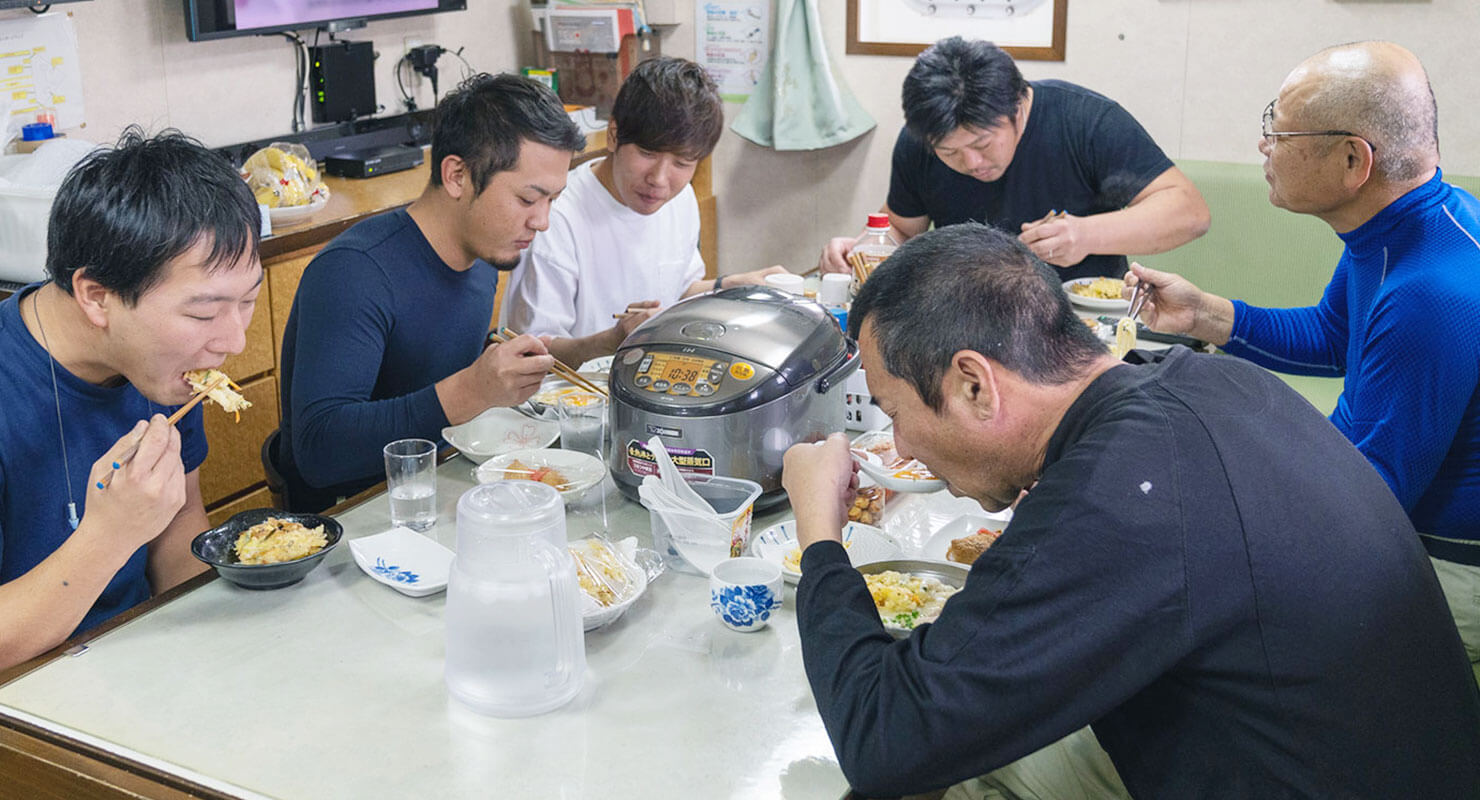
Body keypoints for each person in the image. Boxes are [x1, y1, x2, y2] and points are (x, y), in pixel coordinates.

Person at [781, 223, 1480, 799]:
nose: (900, 444)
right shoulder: (1215, 380)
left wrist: (820, 534)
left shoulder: (1114, 502)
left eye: (896, 411)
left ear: (974, 385)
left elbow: (884, 742)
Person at [1126, 41, 1480, 677]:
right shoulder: (1402, 225)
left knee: (1189, 633)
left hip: (1447, 564)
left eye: (1280, 132)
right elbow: (1334, 334)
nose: (1263, 145)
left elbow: (1368, 501)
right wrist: (1202, 314)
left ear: (1353, 160)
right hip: (1380, 497)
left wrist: (1218, 491)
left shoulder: (1429, 291)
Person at [0, 128, 264, 670]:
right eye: (203, 313)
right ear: (97, 297)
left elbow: (179, 526)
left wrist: (226, 653)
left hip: (140, 660)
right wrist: (111, 532)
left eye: (248, 301)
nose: (233, 341)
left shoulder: (162, 371)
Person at [274, 74, 586, 512]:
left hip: (447, 490)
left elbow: (428, 356)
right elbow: (318, 450)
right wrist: (472, 390)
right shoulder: (353, 272)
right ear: (457, 175)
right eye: (527, 199)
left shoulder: (484, 254)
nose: (542, 221)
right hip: (355, 516)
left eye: (553, 200)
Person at [818, 37, 1209, 282]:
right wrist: (863, 251)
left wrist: (1085, 235)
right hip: (966, 312)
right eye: (950, 153)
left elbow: (1189, 213)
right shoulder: (919, 142)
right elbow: (903, 229)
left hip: (1080, 321)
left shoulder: (1085, 121)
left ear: (1019, 108)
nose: (971, 162)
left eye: (984, 144)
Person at [501, 56, 785, 366]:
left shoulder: (680, 198)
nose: (659, 180)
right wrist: (613, 340)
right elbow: (532, 353)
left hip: (652, 377)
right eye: (647, 153)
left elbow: (678, 289)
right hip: (576, 392)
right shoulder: (555, 217)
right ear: (613, 136)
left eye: (682, 163)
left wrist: (726, 286)